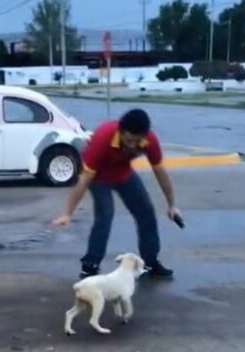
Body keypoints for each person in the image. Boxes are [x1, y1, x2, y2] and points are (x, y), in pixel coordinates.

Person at [52, 108, 181, 280]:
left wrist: (172, 205)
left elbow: (160, 172)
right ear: (120, 132)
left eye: (137, 141)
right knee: (105, 216)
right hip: (98, 177)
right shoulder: (103, 137)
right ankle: (90, 266)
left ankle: (150, 262)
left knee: (146, 212)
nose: (132, 145)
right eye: (128, 140)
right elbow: (83, 180)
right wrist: (67, 213)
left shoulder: (150, 140)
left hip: (123, 173)